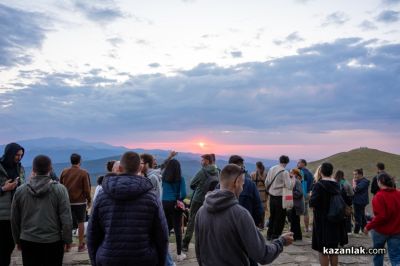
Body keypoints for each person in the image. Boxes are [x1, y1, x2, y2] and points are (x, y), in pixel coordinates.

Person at [195, 163, 294, 266]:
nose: (242, 188)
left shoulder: (201, 212)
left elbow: (199, 251)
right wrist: (281, 242)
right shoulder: (240, 215)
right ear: (237, 182)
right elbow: (262, 255)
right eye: (242, 184)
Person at [87, 151, 168, 266]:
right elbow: (162, 234)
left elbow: (92, 233)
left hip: (108, 259)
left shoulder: (102, 195)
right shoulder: (151, 196)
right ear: (140, 167)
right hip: (143, 258)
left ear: (120, 168)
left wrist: (95, 261)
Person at [10, 155, 72, 266]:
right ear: (50, 169)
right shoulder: (60, 190)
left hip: (28, 240)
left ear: (33, 170)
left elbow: (14, 218)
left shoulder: (20, 191)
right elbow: (66, 218)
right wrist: (67, 240)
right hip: (53, 241)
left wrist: (17, 240)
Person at [310, 162, 348, 266]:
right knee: (333, 250)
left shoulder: (318, 185)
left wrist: (311, 196)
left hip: (322, 223)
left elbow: (313, 203)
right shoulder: (337, 185)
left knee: (323, 251)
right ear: (331, 172)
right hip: (336, 221)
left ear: (321, 172)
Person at [182, 154, 219, 252]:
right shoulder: (217, 171)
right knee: (208, 221)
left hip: (198, 199)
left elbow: (192, 184)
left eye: (202, 160)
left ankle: (185, 244)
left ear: (207, 161)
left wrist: (199, 187)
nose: (201, 162)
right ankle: (207, 244)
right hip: (210, 199)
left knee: (192, 220)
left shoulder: (202, 171)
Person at [364, 173, 400, 266]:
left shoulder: (378, 196)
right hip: (396, 231)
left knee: (378, 254)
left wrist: (368, 226)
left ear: (380, 182)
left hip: (380, 231)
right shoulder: (398, 193)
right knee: (396, 257)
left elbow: (381, 217)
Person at [60, 153, 92, 252]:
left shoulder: (64, 172)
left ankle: (67, 245)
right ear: (80, 161)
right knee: (81, 222)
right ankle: (81, 245)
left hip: (66, 201)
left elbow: (60, 186)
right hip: (80, 202)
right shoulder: (83, 173)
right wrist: (89, 200)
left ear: (71, 161)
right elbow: (87, 189)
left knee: (66, 222)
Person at [0, 143, 25, 266]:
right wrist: (4, 189)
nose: (19, 158)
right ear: (10, 154)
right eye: (17, 155)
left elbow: (24, 185)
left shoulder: (20, 168)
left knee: (9, 245)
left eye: (21, 155)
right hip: (1, 215)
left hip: (15, 214)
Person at [161, 159, 187, 262]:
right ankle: (179, 254)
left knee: (166, 227)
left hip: (164, 203)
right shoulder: (180, 178)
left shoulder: (164, 177)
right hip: (175, 204)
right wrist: (178, 199)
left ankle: (164, 251)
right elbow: (184, 194)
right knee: (177, 229)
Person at [265, 155, 294, 240]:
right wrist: (293, 179)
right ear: (287, 162)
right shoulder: (284, 172)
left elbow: (266, 182)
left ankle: (269, 234)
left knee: (272, 216)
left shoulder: (272, 168)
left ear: (279, 160)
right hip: (280, 197)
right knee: (280, 217)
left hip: (271, 196)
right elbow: (289, 186)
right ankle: (276, 235)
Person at [297, 159, 314, 232]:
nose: (297, 164)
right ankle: (307, 228)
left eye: (299, 162)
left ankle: (296, 228)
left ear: (303, 163)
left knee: (296, 211)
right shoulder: (310, 172)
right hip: (308, 193)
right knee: (306, 212)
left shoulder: (300, 172)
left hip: (300, 193)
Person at [352, 168, 370, 234]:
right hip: (360, 201)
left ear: (360, 174)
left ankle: (356, 232)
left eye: (356, 174)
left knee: (357, 216)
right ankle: (364, 230)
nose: (354, 176)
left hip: (359, 201)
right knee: (362, 216)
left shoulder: (364, 181)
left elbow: (356, 189)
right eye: (354, 174)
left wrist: (354, 183)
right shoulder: (361, 181)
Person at [250, 161, 268, 228]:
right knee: (262, 209)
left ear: (256, 166)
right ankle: (262, 224)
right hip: (263, 193)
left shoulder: (253, 174)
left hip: (256, 192)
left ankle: (256, 223)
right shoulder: (265, 174)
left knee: (255, 208)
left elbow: (251, 183)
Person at [288, 168, 304, 241]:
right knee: (294, 221)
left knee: (295, 221)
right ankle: (296, 236)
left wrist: (290, 193)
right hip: (293, 204)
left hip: (296, 205)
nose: (289, 173)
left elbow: (299, 193)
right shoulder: (293, 181)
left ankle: (296, 236)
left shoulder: (297, 181)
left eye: (291, 172)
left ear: (295, 174)